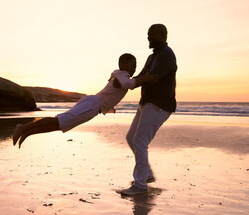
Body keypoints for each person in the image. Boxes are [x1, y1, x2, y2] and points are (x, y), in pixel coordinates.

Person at [12, 53, 157, 148]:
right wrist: (146, 79)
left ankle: (27, 132)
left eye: (135, 66)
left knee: (60, 125)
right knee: (59, 121)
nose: (134, 69)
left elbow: (112, 92)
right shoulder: (122, 76)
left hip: (93, 105)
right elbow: (128, 84)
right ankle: (23, 128)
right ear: (124, 65)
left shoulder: (120, 75)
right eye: (133, 65)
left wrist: (108, 107)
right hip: (92, 105)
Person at [120, 24, 178, 196]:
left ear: (163, 35)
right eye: (148, 35)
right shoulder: (152, 57)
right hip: (146, 102)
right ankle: (147, 175)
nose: (149, 38)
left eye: (152, 35)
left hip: (159, 104)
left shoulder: (167, 55)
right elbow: (141, 77)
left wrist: (134, 82)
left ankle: (140, 185)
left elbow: (151, 78)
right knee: (131, 137)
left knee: (140, 140)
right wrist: (125, 80)